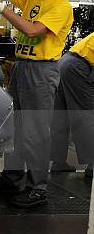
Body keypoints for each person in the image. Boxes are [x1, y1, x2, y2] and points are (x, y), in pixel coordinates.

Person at [0, 0, 73, 208]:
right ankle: (11, 179)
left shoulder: (61, 7)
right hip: (21, 66)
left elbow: (32, 31)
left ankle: (37, 188)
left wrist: (2, 9)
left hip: (42, 72)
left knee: (35, 132)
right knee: (14, 128)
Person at [50, 32, 94, 177]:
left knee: (61, 117)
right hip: (79, 67)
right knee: (87, 115)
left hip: (65, 62)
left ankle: (58, 162)